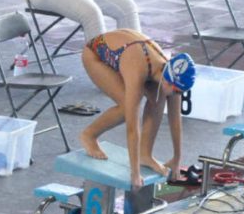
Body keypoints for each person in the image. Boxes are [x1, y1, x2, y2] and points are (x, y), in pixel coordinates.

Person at [79, 29, 195, 189]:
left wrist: (177, 159)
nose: (177, 96)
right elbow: (132, 127)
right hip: (95, 55)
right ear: (168, 82)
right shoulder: (138, 69)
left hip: (130, 53)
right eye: (176, 91)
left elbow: (175, 118)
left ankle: (145, 154)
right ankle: (89, 135)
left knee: (158, 99)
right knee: (125, 108)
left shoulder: (170, 74)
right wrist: (135, 173)